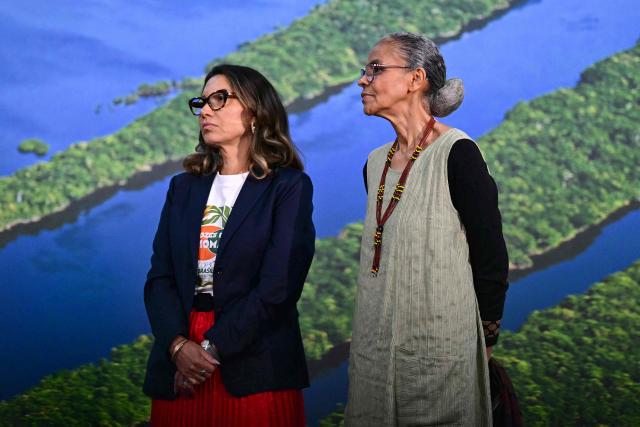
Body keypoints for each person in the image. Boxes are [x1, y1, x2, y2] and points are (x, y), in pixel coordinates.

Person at [345, 32, 509, 426]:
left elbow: (490, 257)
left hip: (440, 359)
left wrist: (483, 342)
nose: (362, 80)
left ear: (415, 78)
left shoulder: (458, 155)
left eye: (375, 69)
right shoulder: (375, 163)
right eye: (365, 70)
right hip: (373, 355)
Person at [142, 64, 315, 427]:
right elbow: (160, 278)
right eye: (202, 102)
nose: (205, 110)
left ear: (255, 111)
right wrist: (177, 347)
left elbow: (277, 288)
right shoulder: (183, 187)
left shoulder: (289, 187)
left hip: (252, 361)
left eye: (219, 99)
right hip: (180, 360)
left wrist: (208, 351)